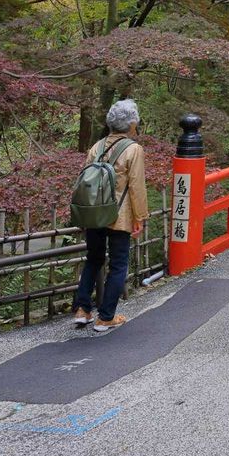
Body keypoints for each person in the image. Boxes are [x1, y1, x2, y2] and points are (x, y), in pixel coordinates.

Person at [73, 99, 149, 332]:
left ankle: (82, 310)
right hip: (119, 215)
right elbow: (136, 186)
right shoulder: (133, 149)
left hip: (94, 212)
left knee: (93, 259)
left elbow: (85, 180)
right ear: (132, 123)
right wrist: (140, 217)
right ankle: (106, 317)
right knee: (118, 264)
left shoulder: (96, 147)